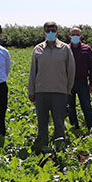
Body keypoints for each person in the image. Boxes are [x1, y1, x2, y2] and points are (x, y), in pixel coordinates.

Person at [28, 21, 76, 152]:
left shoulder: (65, 48)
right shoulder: (37, 49)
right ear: (44, 33)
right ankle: (42, 146)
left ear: (57, 32)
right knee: (42, 122)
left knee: (59, 122)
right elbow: (33, 71)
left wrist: (67, 89)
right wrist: (31, 91)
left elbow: (71, 71)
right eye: (48, 30)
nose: (51, 33)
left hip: (59, 92)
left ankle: (59, 147)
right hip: (41, 91)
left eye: (53, 30)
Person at [67, 27, 92, 133]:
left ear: (81, 36)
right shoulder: (66, 49)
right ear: (69, 37)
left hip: (82, 81)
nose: (75, 36)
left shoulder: (87, 49)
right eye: (73, 35)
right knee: (70, 107)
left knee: (86, 106)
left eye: (77, 34)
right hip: (68, 82)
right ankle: (75, 129)